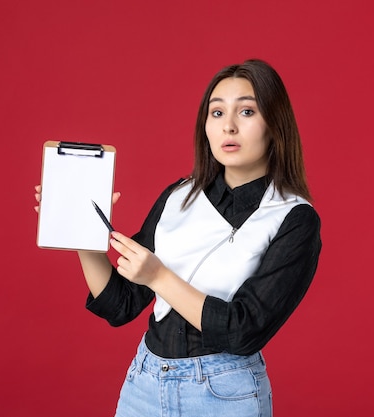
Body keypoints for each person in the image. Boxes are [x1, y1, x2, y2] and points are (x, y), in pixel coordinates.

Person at [34, 59, 321, 416]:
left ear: (274, 124)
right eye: (216, 113)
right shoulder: (179, 196)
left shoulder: (294, 218)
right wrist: (81, 230)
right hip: (145, 383)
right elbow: (121, 304)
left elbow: (244, 331)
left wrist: (158, 277)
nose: (228, 126)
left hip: (224, 394)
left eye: (246, 111)